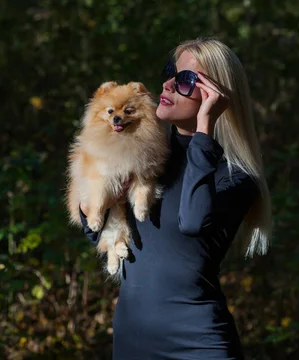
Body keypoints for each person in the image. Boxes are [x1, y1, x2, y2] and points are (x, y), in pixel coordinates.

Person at [78, 37, 273, 359]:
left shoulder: (236, 176)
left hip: (199, 343)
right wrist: (93, 205)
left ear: (216, 96)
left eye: (184, 80)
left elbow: (193, 221)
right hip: (132, 339)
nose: (167, 84)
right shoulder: (141, 157)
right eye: (171, 72)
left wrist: (204, 128)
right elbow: (100, 232)